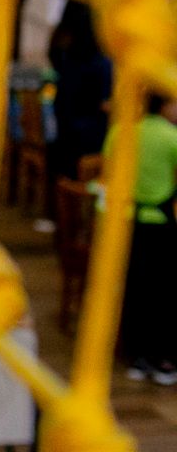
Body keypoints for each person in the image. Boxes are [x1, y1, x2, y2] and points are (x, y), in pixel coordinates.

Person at [108, 97, 177, 384]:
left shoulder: (120, 131)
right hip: (160, 224)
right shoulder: (171, 136)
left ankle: (136, 356)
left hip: (125, 221)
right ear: (163, 106)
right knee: (163, 292)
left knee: (134, 287)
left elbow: (109, 171)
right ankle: (163, 359)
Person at [47, 0, 112, 184]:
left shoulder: (64, 52)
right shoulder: (101, 63)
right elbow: (105, 103)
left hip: (65, 132)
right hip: (91, 140)